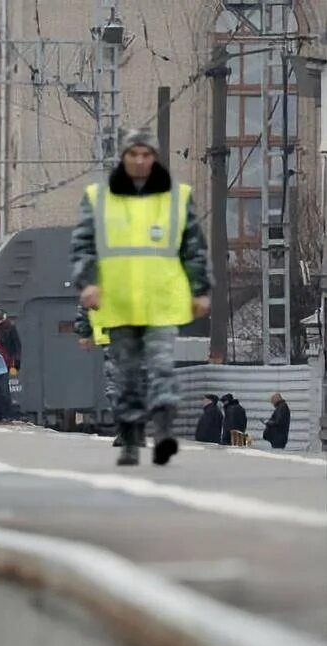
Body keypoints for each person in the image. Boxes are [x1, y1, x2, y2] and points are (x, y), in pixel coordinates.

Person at [70, 127, 212, 466]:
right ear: (123, 157)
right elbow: (83, 247)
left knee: (161, 368)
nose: (139, 160)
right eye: (133, 154)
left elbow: (194, 249)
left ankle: (162, 432)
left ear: (155, 158)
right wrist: (87, 284)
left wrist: (200, 289)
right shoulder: (98, 199)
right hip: (117, 306)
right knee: (126, 376)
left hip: (160, 304)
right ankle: (131, 438)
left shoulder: (177, 198)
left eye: (146, 154)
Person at [0, 308, 22, 396]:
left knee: (4, 390)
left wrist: (16, 360)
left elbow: (16, 345)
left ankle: (5, 408)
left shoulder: (9, 328)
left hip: (4, 363)